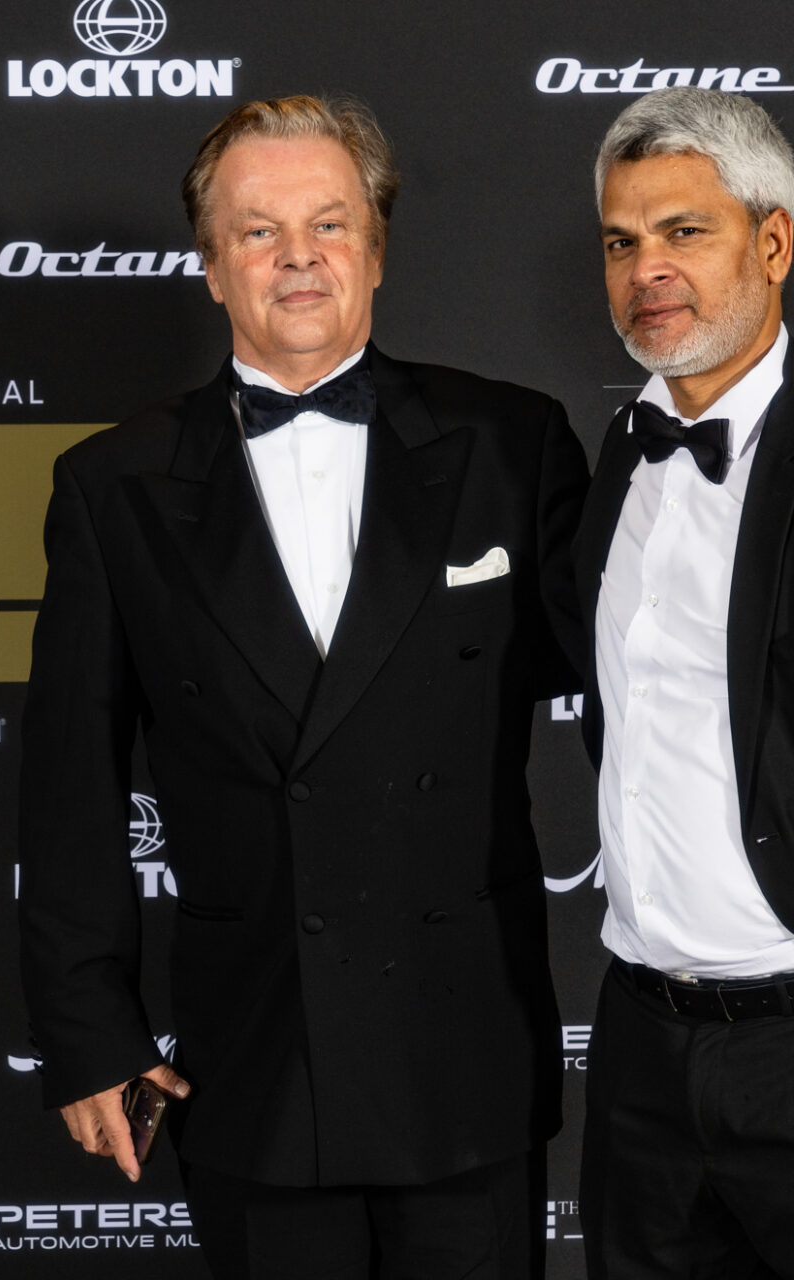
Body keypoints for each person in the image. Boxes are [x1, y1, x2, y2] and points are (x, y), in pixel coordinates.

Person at [19, 94, 588, 1279]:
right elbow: (70, 782)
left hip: (462, 1051)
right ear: (209, 266)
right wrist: (87, 1030)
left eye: (328, 224)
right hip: (253, 1055)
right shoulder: (112, 485)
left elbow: (633, 693)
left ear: (375, 252)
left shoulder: (511, 441)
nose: (297, 256)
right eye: (257, 231)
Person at [574, 86, 794, 1278]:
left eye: (682, 231)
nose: (644, 268)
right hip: (639, 1046)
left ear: (772, 242)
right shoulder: (621, 451)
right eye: (620, 242)